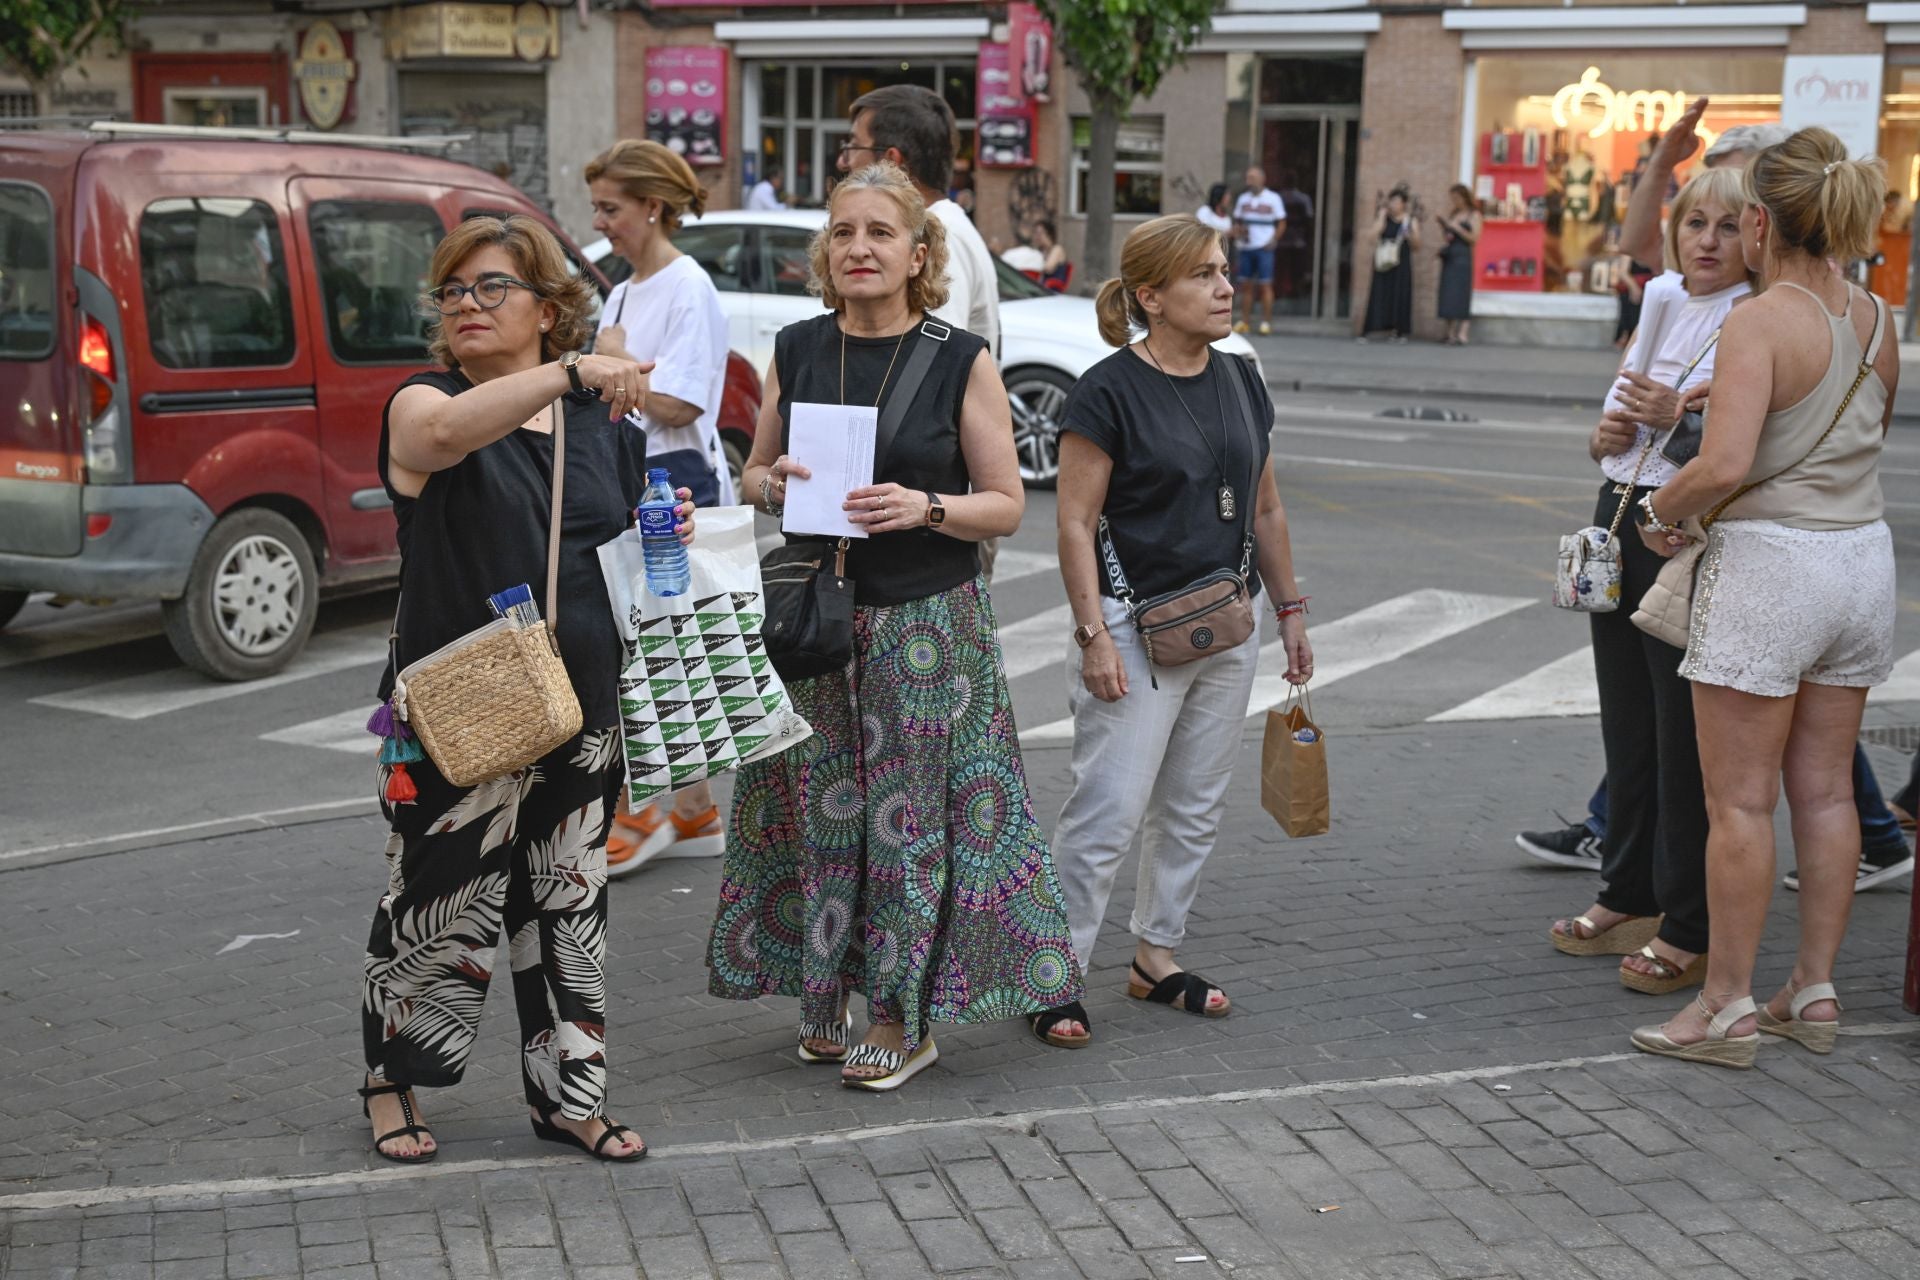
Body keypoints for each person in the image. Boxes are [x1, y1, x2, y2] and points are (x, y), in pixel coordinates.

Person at [709, 162, 1083, 1089]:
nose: (858, 249)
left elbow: (1005, 505)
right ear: (823, 254)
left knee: (907, 822)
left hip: (924, 623)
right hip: (815, 624)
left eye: (880, 233)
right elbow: (751, 478)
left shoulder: (961, 357)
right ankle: (826, 998)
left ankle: (900, 1015)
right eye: (842, 233)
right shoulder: (796, 349)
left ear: (920, 254)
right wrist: (775, 484)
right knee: (816, 813)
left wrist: (924, 506)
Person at [358, 214, 696, 1163]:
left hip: (582, 708)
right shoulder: (424, 401)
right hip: (463, 709)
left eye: (491, 288)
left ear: (547, 307)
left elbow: (622, 547)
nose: (467, 305)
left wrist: (677, 534)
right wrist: (568, 370)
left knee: (570, 905)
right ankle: (392, 1081)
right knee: (432, 898)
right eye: (454, 292)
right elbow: (441, 436)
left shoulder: (599, 425)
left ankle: (569, 1097)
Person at [1630, 128, 1897, 1068]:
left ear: (1757, 222)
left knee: (1738, 802)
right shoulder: (1877, 316)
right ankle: (1811, 991)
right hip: (1862, 560)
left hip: (1772, 567)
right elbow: (1863, 434)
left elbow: (1727, 462)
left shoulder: (1757, 318)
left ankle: (1725, 1006)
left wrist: (1661, 510)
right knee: (1825, 791)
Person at [1041, 214, 1312, 1045]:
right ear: (1151, 296)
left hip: (1230, 621)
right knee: (1110, 808)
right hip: (1132, 627)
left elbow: (1264, 504)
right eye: (1202, 275)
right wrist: (1092, 635)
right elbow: (1075, 523)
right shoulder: (1108, 389)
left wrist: (1291, 609)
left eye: (1224, 270)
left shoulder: (1241, 377)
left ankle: (1156, 957)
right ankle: (1053, 970)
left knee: (1193, 804)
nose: (1225, 287)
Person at [1548, 166, 1753, 998]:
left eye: (1728, 226)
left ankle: (1688, 924)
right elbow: (1613, 430)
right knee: (1626, 727)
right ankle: (1626, 893)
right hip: (1621, 511)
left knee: (1680, 737)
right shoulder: (1665, 298)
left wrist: (1680, 421)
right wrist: (1605, 435)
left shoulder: (1755, 316)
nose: (1707, 240)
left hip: (1686, 526)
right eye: (1695, 222)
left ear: (1760, 236)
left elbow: (1742, 447)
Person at [582, 139, 735, 876]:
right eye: (598, 210)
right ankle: (696, 810)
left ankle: (643, 813)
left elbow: (682, 399)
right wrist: (618, 365)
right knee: (656, 643)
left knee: (655, 648)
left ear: (652, 206)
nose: (603, 223)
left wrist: (612, 365)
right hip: (628, 483)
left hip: (676, 492)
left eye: (611, 208)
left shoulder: (687, 285)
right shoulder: (619, 294)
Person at [1358, 186, 1418, 342]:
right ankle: (1369, 329)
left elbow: (1417, 245)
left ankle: (1398, 331)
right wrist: (1380, 217)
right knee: (1379, 293)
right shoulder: (1384, 218)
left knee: (1400, 294)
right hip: (1383, 261)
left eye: (1397, 202)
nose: (1393, 205)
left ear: (1404, 204)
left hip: (1401, 262)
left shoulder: (1409, 220)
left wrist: (1409, 235)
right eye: (1391, 201)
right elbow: (1371, 237)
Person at [1231, 168, 1284, 335]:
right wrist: (1239, 233)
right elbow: (1238, 220)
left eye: (1252, 178)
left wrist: (1274, 239)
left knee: (1265, 285)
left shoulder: (1273, 198)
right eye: (1247, 178)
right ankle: (1245, 321)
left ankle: (1266, 322)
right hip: (1247, 247)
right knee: (1246, 285)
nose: (1248, 181)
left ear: (1262, 179)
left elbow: (1282, 222)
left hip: (1264, 247)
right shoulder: (1243, 199)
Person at [1435, 183, 1481, 346]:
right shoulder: (1454, 213)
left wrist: (1458, 229)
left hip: (1463, 258)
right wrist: (1444, 226)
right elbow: (1448, 237)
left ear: (1464, 197)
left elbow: (1474, 239)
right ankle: (1449, 332)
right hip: (1451, 256)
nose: (1454, 201)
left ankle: (1462, 333)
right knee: (1448, 293)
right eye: (1452, 198)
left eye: (1456, 198)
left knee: (1460, 293)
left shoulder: (1473, 214)